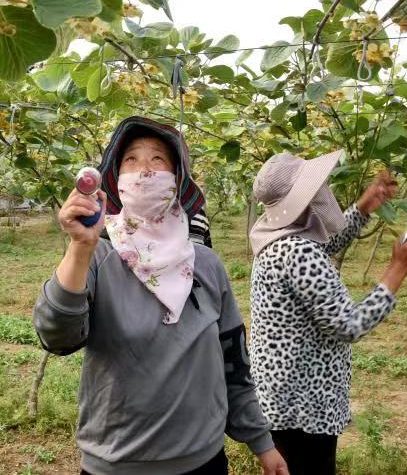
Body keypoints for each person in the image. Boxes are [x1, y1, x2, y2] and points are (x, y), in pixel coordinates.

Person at [34, 116, 288, 475]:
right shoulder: (97, 259)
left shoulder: (206, 265)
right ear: (117, 182)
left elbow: (233, 361)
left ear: (176, 180)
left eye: (158, 160)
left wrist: (261, 442)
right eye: (132, 160)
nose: (145, 171)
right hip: (117, 464)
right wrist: (79, 248)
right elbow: (55, 337)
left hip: (203, 460)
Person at [247, 151, 407, 475]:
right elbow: (349, 325)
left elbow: (323, 244)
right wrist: (398, 269)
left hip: (280, 394)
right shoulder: (298, 252)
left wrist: (364, 206)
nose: (323, 189)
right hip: (304, 402)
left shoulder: (278, 238)